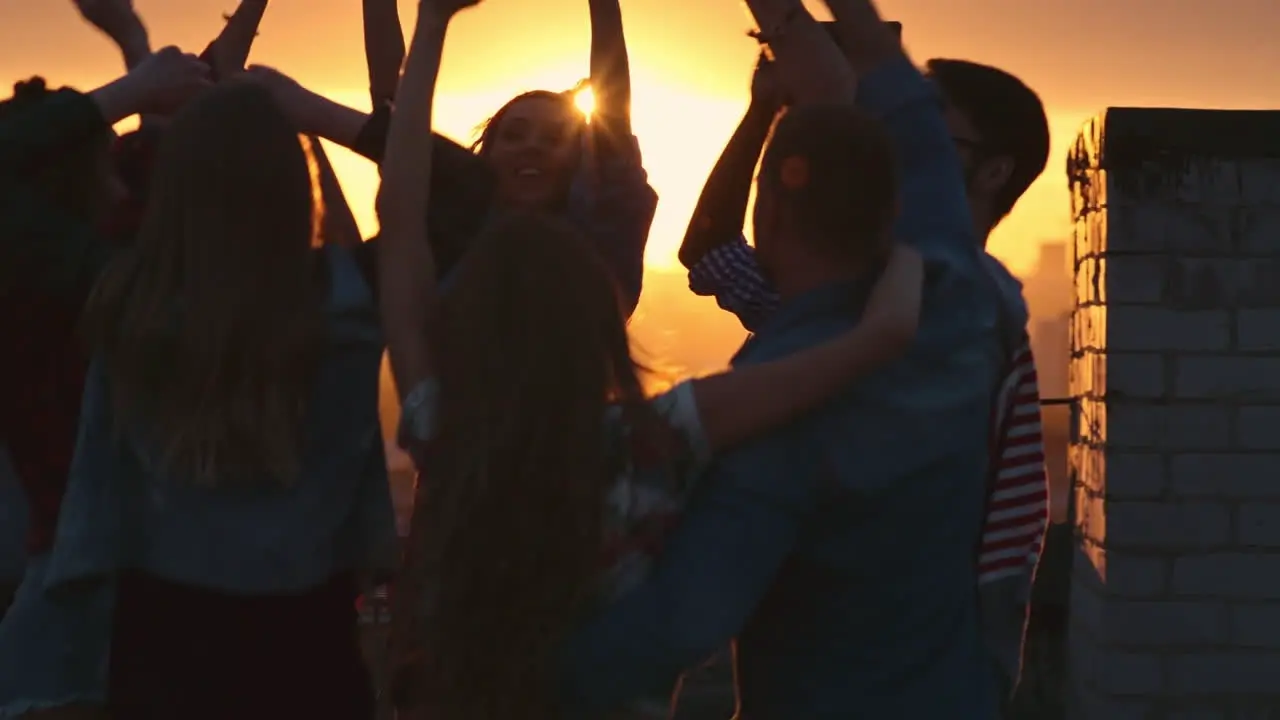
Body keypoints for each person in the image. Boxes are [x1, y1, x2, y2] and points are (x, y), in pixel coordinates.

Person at [373, 1, 927, 718]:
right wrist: (912, 258)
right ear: (600, 323)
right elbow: (874, 342)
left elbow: (398, 214)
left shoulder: (438, 427)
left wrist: (434, 27)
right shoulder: (645, 440)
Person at [558, 0, 1012, 716]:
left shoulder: (778, 411)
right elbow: (883, 72)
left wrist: (514, 674)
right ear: (894, 208)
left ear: (765, 217)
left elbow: (681, 623)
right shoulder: (954, 299)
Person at [679, 40, 1052, 706]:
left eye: (929, 128)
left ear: (994, 171)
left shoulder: (976, 309)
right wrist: (763, 110)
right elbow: (711, 253)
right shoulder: (854, 295)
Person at [40, 79, 396, 720]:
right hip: (311, 648)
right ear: (292, 184)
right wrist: (314, 115)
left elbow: (99, 484)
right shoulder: (352, 308)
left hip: (161, 646)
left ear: (176, 189)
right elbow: (466, 199)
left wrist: (129, 80)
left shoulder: (129, 306)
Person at [0, 50, 211, 720]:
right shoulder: (115, 271)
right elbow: (157, 148)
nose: (124, 183)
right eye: (106, 165)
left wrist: (125, 86)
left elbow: (151, 144)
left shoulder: (54, 277)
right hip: (125, 581)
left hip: (71, 576)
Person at [246, 0, 655, 316]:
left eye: (554, 138)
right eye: (514, 135)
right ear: (486, 154)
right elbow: (394, 110)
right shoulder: (447, 238)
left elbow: (613, 114)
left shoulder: (601, 242)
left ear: (582, 165)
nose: (533, 146)